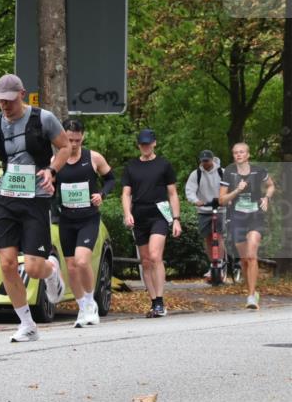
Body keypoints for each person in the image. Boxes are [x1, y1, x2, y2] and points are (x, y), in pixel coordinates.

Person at [0, 74, 70, 343]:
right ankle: (27, 323)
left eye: (9, 101)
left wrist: (51, 171)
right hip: (6, 197)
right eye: (0, 101)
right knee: (6, 263)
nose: (4, 105)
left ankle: (51, 269)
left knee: (35, 268)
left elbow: (64, 147)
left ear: (22, 94)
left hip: (36, 198)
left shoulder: (44, 119)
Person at [53, 118, 115, 328]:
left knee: (81, 261)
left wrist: (101, 195)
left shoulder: (93, 157)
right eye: (69, 140)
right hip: (66, 219)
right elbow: (48, 185)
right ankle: (82, 307)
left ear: (83, 137)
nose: (73, 144)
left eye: (77, 140)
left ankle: (90, 303)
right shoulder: (56, 160)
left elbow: (111, 179)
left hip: (88, 218)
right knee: (70, 266)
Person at [120, 128, 181, 318]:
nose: (145, 147)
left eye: (148, 143)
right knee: (145, 261)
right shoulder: (131, 166)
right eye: (142, 144)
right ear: (139, 145)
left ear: (154, 143)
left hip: (159, 215)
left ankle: (161, 301)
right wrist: (127, 213)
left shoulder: (164, 165)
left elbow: (172, 193)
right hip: (139, 215)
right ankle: (154, 302)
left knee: (155, 256)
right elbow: (126, 193)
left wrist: (176, 219)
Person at [218, 142, 275, 310]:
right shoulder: (228, 173)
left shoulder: (259, 171)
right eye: (235, 152)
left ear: (248, 155)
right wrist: (236, 190)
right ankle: (250, 291)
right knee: (244, 259)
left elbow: (271, 186)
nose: (238, 155)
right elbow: (221, 200)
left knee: (251, 255)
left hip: (255, 217)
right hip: (236, 218)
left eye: (242, 152)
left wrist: (266, 198)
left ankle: (251, 296)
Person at [185, 149, 225, 282]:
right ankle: (212, 265)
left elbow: (230, 187)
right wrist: (196, 201)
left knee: (218, 236)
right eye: (203, 161)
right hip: (204, 209)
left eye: (207, 160)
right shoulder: (196, 174)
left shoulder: (222, 172)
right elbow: (190, 190)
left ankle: (220, 264)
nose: (205, 163)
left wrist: (225, 199)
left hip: (220, 209)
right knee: (208, 238)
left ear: (212, 159)